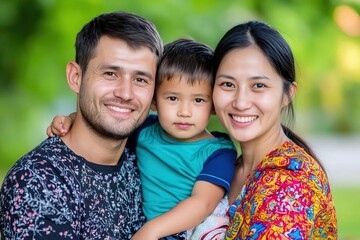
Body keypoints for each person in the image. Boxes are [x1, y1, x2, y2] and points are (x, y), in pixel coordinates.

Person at [46, 38, 237, 240]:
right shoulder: (144, 130)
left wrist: (151, 231)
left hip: (185, 233)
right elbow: (102, 127)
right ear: (153, 100)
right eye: (172, 98)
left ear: (214, 105)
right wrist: (70, 119)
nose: (184, 112)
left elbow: (202, 203)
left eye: (198, 100)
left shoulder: (219, 152)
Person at [0, 11, 163, 239]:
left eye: (140, 79)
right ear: (76, 77)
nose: (126, 93)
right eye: (110, 73)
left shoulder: (151, 155)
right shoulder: (37, 180)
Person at [211, 20, 338, 239]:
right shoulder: (229, 165)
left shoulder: (291, 183)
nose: (241, 102)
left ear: (288, 94)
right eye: (228, 84)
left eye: (258, 86)